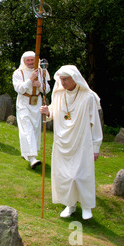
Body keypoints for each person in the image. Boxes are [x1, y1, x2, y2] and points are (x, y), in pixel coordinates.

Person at [39, 65, 103, 220]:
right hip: (62, 141)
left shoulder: (88, 97)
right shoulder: (59, 95)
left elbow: (95, 122)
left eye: (65, 79)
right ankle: (70, 204)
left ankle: (87, 206)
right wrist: (47, 112)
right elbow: (53, 113)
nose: (62, 82)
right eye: (60, 79)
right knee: (65, 176)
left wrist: (96, 147)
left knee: (80, 175)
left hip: (81, 141)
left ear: (75, 78)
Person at [12, 51, 50, 168]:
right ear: (23, 61)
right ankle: (32, 158)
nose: (30, 62)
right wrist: (30, 80)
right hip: (24, 103)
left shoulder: (41, 72)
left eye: (32, 60)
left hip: (36, 103)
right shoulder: (18, 73)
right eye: (27, 60)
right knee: (26, 128)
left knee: (34, 129)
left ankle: (26, 153)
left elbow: (47, 89)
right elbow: (19, 89)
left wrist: (39, 85)